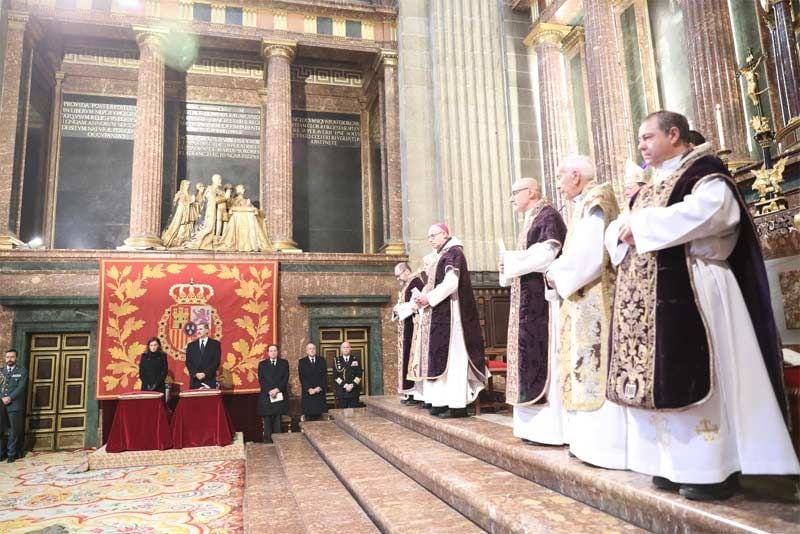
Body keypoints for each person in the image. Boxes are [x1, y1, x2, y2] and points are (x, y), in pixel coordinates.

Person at [606, 110, 800, 500]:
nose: (641, 145)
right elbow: (619, 228)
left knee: (701, 374)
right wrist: (629, 226)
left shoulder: (704, 171)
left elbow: (717, 213)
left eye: (647, 137)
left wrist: (641, 226)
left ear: (673, 134)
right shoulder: (651, 184)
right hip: (655, 297)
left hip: (697, 288)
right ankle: (672, 465)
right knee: (663, 381)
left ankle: (715, 468)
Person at [544, 155, 626, 469]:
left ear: (576, 175)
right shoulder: (584, 204)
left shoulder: (596, 202)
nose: (558, 182)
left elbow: (591, 256)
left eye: (561, 175)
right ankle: (585, 443)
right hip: (581, 296)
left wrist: (557, 275)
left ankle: (603, 447)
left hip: (595, 297)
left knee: (594, 365)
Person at [499, 177, 567, 444]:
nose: (512, 198)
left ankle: (547, 431)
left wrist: (511, 261)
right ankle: (530, 429)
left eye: (515, 192)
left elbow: (547, 254)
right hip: (526, 302)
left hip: (542, 301)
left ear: (531, 191)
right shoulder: (530, 218)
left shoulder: (547, 215)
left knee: (542, 357)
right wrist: (509, 266)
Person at [413, 223, 487, 419]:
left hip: (454, 316)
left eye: (433, 235)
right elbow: (432, 284)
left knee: (453, 359)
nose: (430, 240)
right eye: (428, 236)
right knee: (439, 359)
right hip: (440, 313)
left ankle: (456, 405)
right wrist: (422, 297)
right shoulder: (441, 254)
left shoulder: (454, 253)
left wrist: (429, 298)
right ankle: (440, 402)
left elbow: (451, 283)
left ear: (445, 234)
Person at [392, 261, 426, 405]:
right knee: (406, 359)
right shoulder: (406, 285)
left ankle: (416, 394)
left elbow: (417, 303)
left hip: (414, 327)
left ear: (406, 271)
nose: (398, 279)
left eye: (399, 276)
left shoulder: (416, 282)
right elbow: (402, 303)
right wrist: (396, 309)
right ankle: (409, 393)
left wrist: (400, 310)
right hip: (405, 327)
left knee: (412, 360)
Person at [257, 344, 288, 443]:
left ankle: (278, 442)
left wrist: (277, 389)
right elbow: (262, 380)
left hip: (278, 395)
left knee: (277, 421)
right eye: (271, 351)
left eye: (275, 350)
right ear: (268, 353)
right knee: (267, 421)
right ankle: (267, 442)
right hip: (267, 396)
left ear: (277, 352)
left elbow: (285, 378)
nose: (273, 352)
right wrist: (269, 391)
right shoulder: (262, 364)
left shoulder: (284, 363)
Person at [0, 349, 28, 463]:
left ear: (16, 358)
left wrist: (10, 398)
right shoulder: (1, 371)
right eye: (7, 357)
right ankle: (1, 453)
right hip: (1, 405)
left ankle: (12, 454)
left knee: (13, 431)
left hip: (14, 405)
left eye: (12, 357)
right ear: (5, 358)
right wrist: (2, 397)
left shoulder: (22, 371)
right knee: (0, 430)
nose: (9, 359)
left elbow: (21, 388)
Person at [185, 323, 221, 389]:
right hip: (195, 380)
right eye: (197, 329)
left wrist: (205, 373)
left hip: (209, 379)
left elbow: (216, 361)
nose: (198, 331)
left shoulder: (215, 344)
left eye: (201, 329)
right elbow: (188, 362)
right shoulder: (191, 345)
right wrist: (196, 373)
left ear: (207, 330)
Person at [161, 180, 194, 248]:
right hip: (180, 212)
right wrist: (189, 202)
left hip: (186, 213)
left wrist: (191, 202)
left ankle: (181, 240)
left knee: (184, 227)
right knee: (177, 224)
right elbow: (178, 203)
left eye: (189, 185)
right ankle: (172, 239)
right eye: (187, 185)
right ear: (183, 185)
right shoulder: (180, 193)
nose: (188, 187)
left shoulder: (188, 195)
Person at [299, 343, 327, 421]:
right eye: (310, 349)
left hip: (319, 394)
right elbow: (302, 378)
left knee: (321, 421)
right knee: (308, 420)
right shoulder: (302, 362)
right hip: (308, 395)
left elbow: (324, 376)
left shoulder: (322, 360)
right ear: (307, 351)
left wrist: (320, 387)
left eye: (313, 348)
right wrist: (309, 389)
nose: (312, 350)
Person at [333, 341, 362, 408]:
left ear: (350, 348)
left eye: (347, 347)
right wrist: (345, 385)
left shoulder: (356, 359)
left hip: (354, 391)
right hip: (342, 391)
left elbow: (359, 374)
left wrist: (352, 385)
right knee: (342, 414)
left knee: (354, 413)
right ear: (341, 349)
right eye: (344, 347)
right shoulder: (337, 360)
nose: (345, 349)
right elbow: (336, 376)